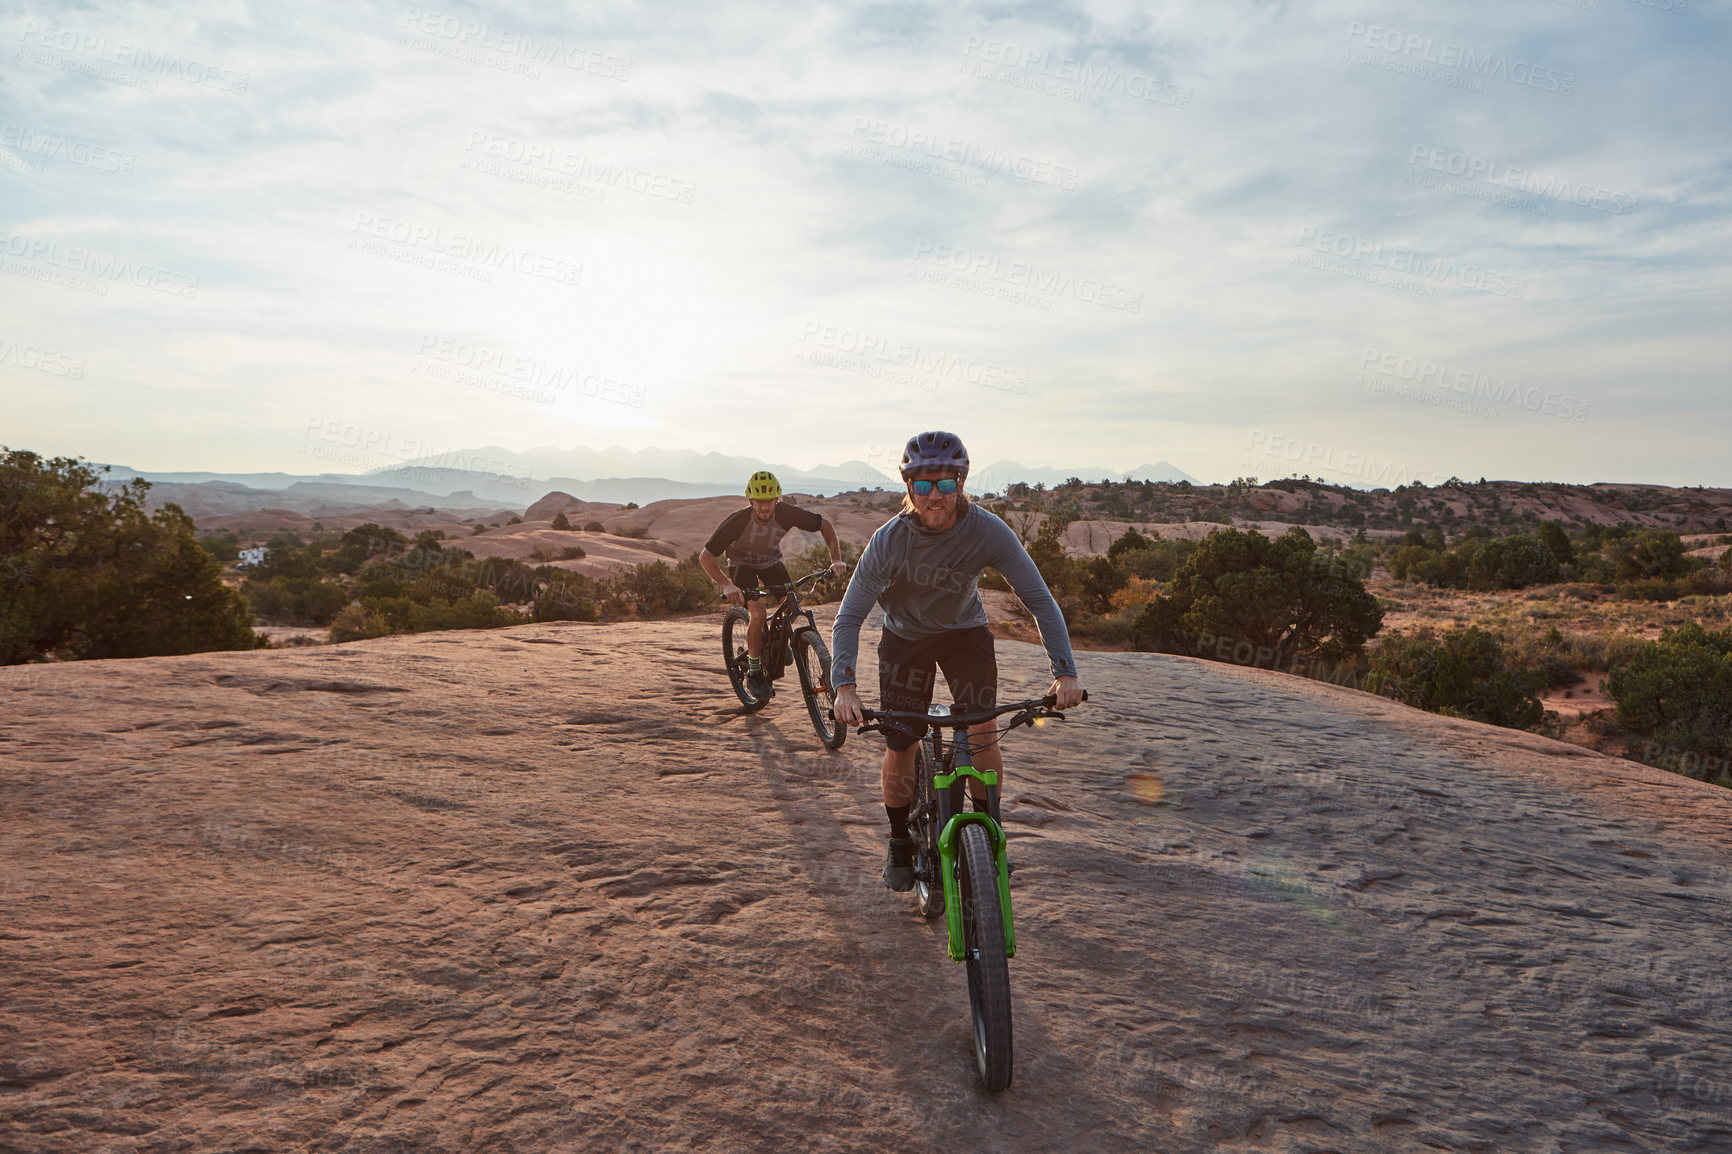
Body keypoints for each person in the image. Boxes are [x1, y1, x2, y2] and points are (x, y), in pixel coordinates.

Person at [830, 432, 1085, 891]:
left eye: (947, 485)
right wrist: (843, 684)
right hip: (905, 640)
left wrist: (1064, 672)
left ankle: (991, 833)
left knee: (984, 729)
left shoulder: (988, 531)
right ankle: (899, 841)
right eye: (924, 485)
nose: (935, 496)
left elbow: (1039, 600)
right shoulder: (888, 542)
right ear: (908, 487)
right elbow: (848, 617)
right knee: (901, 743)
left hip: (965, 635)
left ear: (962, 484)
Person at [699, 471, 847, 697]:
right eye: (759, 502)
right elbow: (706, 557)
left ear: (777, 500)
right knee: (757, 615)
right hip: (742, 565)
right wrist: (726, 584)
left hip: (771, 562)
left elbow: (825, 526)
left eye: (769, 502)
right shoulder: (737, 521)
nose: (764, 507)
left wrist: (835, 558)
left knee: (792, 606)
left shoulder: (787, 513)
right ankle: (755, 671)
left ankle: (774, 644)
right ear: (750, 501)